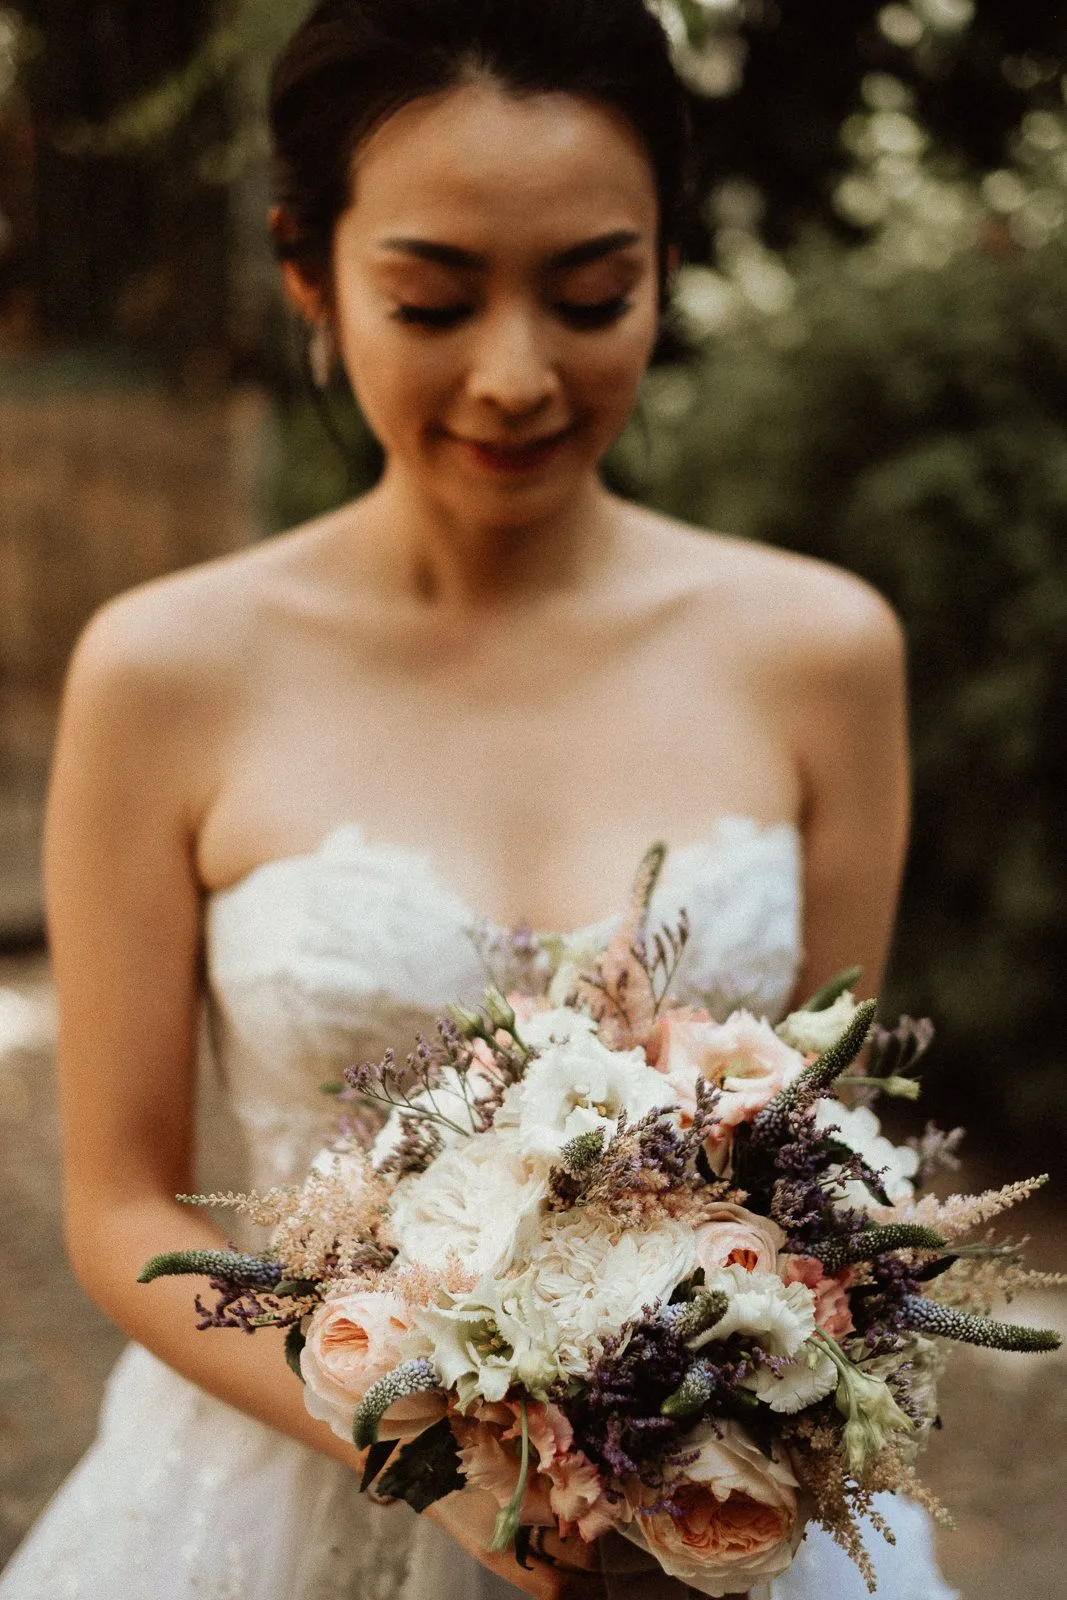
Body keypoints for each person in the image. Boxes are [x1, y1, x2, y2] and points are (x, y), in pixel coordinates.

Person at [0, 2, 960, 1596]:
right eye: (433, 299)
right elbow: (117, 1202)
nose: (516, 376)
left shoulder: (819, 653)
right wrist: (427, 1446)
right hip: (289, 1499)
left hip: (700, 1526)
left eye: (591, 295)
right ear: (308, 272)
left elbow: (826, 1149)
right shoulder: (163, 670)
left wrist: (727, 1415)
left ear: (659, 264)